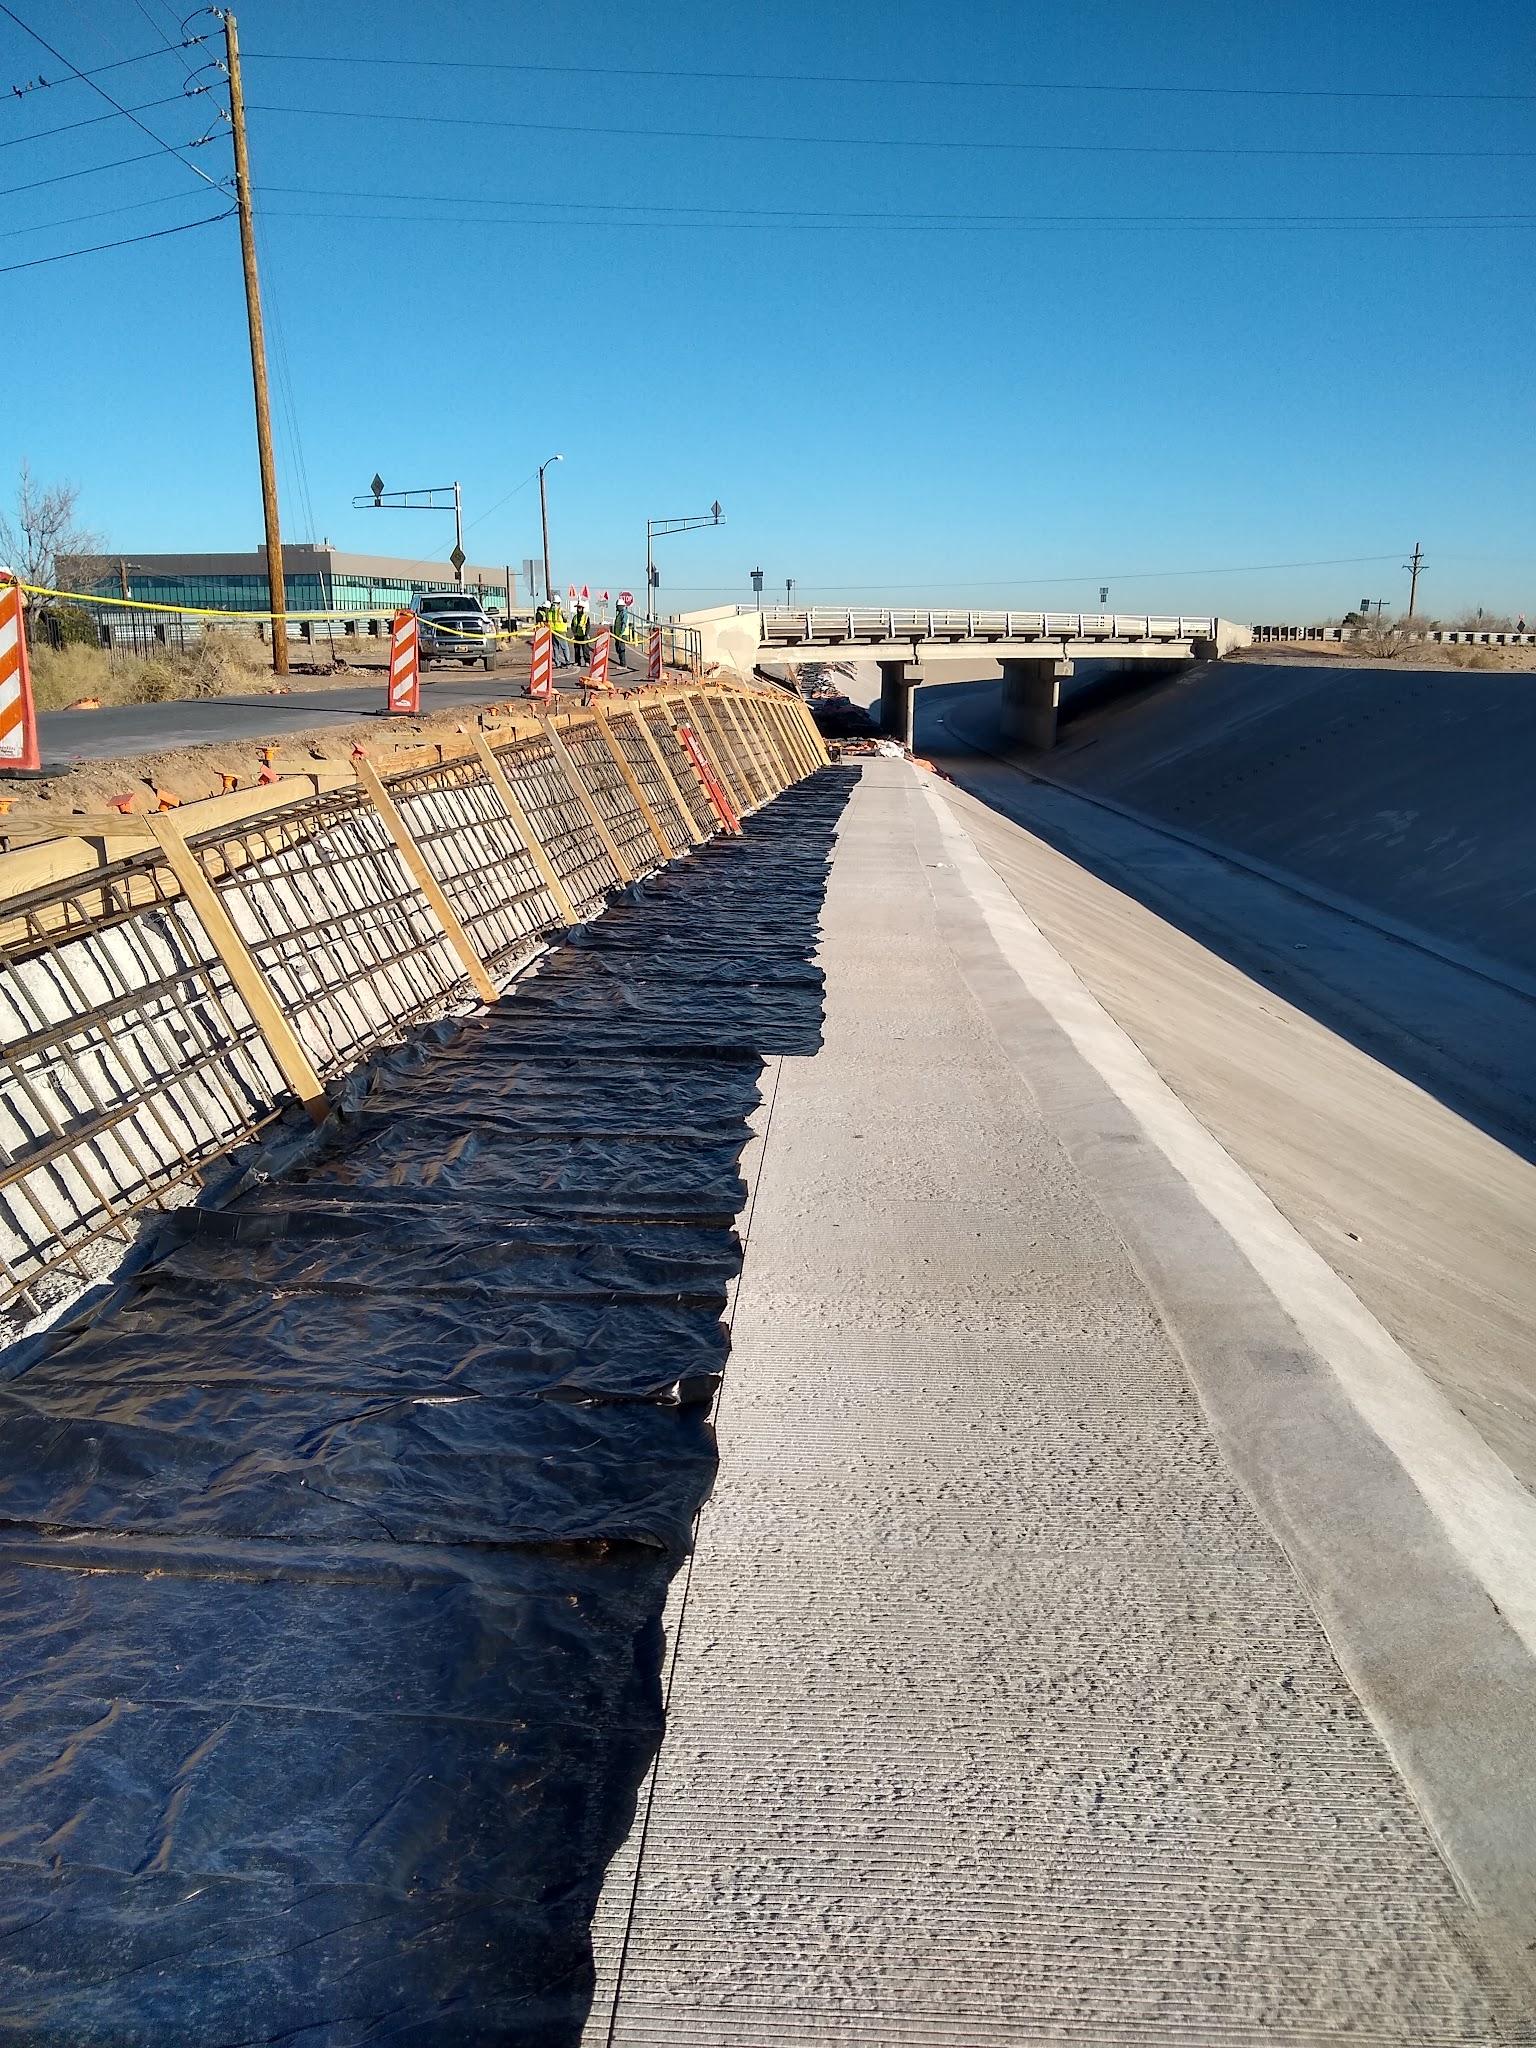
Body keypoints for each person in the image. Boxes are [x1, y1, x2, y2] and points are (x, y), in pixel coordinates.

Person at [548, 596, 571, 667]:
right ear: (559, 602)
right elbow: (565, 619)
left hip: (552, 630)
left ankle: (557, 662)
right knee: (565, 647)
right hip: (560, 631)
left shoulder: (550, 611)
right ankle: (567, 662)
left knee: (555, 647)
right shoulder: (561, 610)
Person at [570, 600, 590, 670]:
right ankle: (577, 661)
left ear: (582, 608)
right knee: (576, 649)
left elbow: (588, 626)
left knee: (585, 649)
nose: (578, 609)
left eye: (580, 607)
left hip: (584, 635)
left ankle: (587, 661)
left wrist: (587, 634)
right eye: (578, 607)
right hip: (577, 635)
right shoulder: (575, 617)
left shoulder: (586, 616)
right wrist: (574, 632)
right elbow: (572, 625)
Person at [612, 597, 631, 667]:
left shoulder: (624, 614)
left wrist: (620, 633)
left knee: (621, 649)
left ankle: (623, 664)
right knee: (618, 648)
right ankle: (622, 663)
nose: (616, 608)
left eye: (617, 606)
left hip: (622, 635)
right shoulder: (619, 614)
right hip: (618, 635)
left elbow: (624, 624)